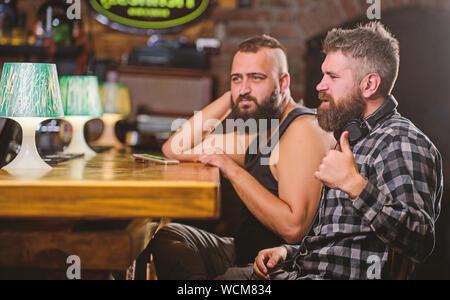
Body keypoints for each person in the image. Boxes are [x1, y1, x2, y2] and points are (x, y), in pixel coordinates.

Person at [224, 22, 443, 280]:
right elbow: (339, 241)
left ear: (369, 85)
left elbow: (420, 240)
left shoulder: (401, 142)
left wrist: (355, 185)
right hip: (299, 270)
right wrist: (289, 251)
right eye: (323, 75)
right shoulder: (355, 137)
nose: (320, 86)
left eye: (333, 77)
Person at [137, 35, 335, 280]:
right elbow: (175, 147)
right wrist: (235, 96)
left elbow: (294, 229)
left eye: (256, 78)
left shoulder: (303, 129)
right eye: (236, 78)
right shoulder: (264, 129)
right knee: (170, 237)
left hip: (281, 268)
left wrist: (229, 167)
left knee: (228, 278)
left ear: (283, 82)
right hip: (243, 250)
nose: (244, 88)